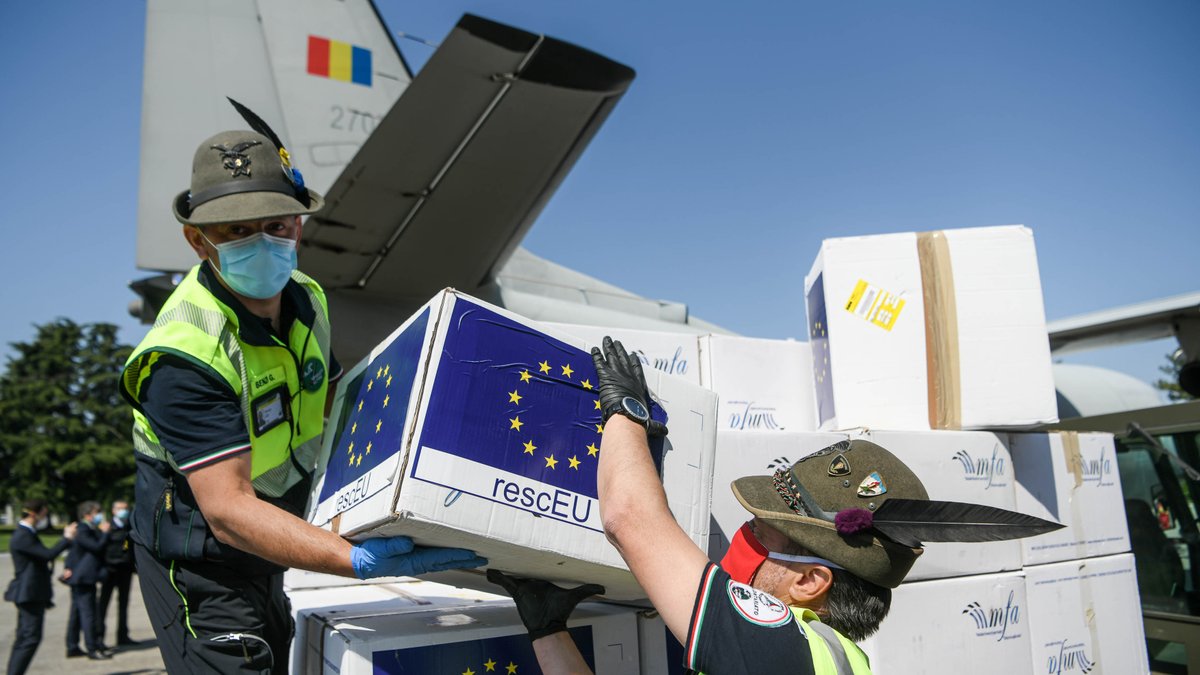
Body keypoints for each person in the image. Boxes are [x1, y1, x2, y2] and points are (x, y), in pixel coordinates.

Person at [119, 101, 486, 674]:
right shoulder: (183, 355)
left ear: (299, 225)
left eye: (276, 225)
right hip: (202, 560)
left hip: (275, 540)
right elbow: (229, 510)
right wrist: (352, 558)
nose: (261, 242)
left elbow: (338, 408)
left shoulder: (307, 298)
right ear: (197, 241)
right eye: (236, 230)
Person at [498, 337, 1061, 675]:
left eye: (766, 534)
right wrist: (551, 632)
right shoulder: (830, 661)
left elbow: (627, 517)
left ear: (813, 580)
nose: (744, 535)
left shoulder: (779, 651)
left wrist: (625, 414)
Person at [4, 499, 77, 675]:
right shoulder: (23, 535)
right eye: (44, 513)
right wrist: (66, 538)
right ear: (34, 514)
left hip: (31, 591)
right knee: (29, 638)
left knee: (25, 637)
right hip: (29, 592)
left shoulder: (27, 533)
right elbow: (47, 555)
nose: (45, 517)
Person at [65, 501, 110, 661]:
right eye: (96, 513)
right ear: (87, 515)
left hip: (82, 576)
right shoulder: (83, 530)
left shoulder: (88, 529)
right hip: (84, 577)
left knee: (77, 612)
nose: (99, 516)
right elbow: (96, 547)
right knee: (88, 613)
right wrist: (105, 533)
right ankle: (92, 647)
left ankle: (72, 646)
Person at [97, 499, 136, 648]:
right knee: (103, 604)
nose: (123, 511)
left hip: (125, 570)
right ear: (113, 511)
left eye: (125, 508)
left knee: (124, 603)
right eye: (120, 508)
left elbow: (130, 547)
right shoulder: (107, 528)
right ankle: (99, 637)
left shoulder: (128, 527)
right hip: (109, 570)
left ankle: (123, 635)